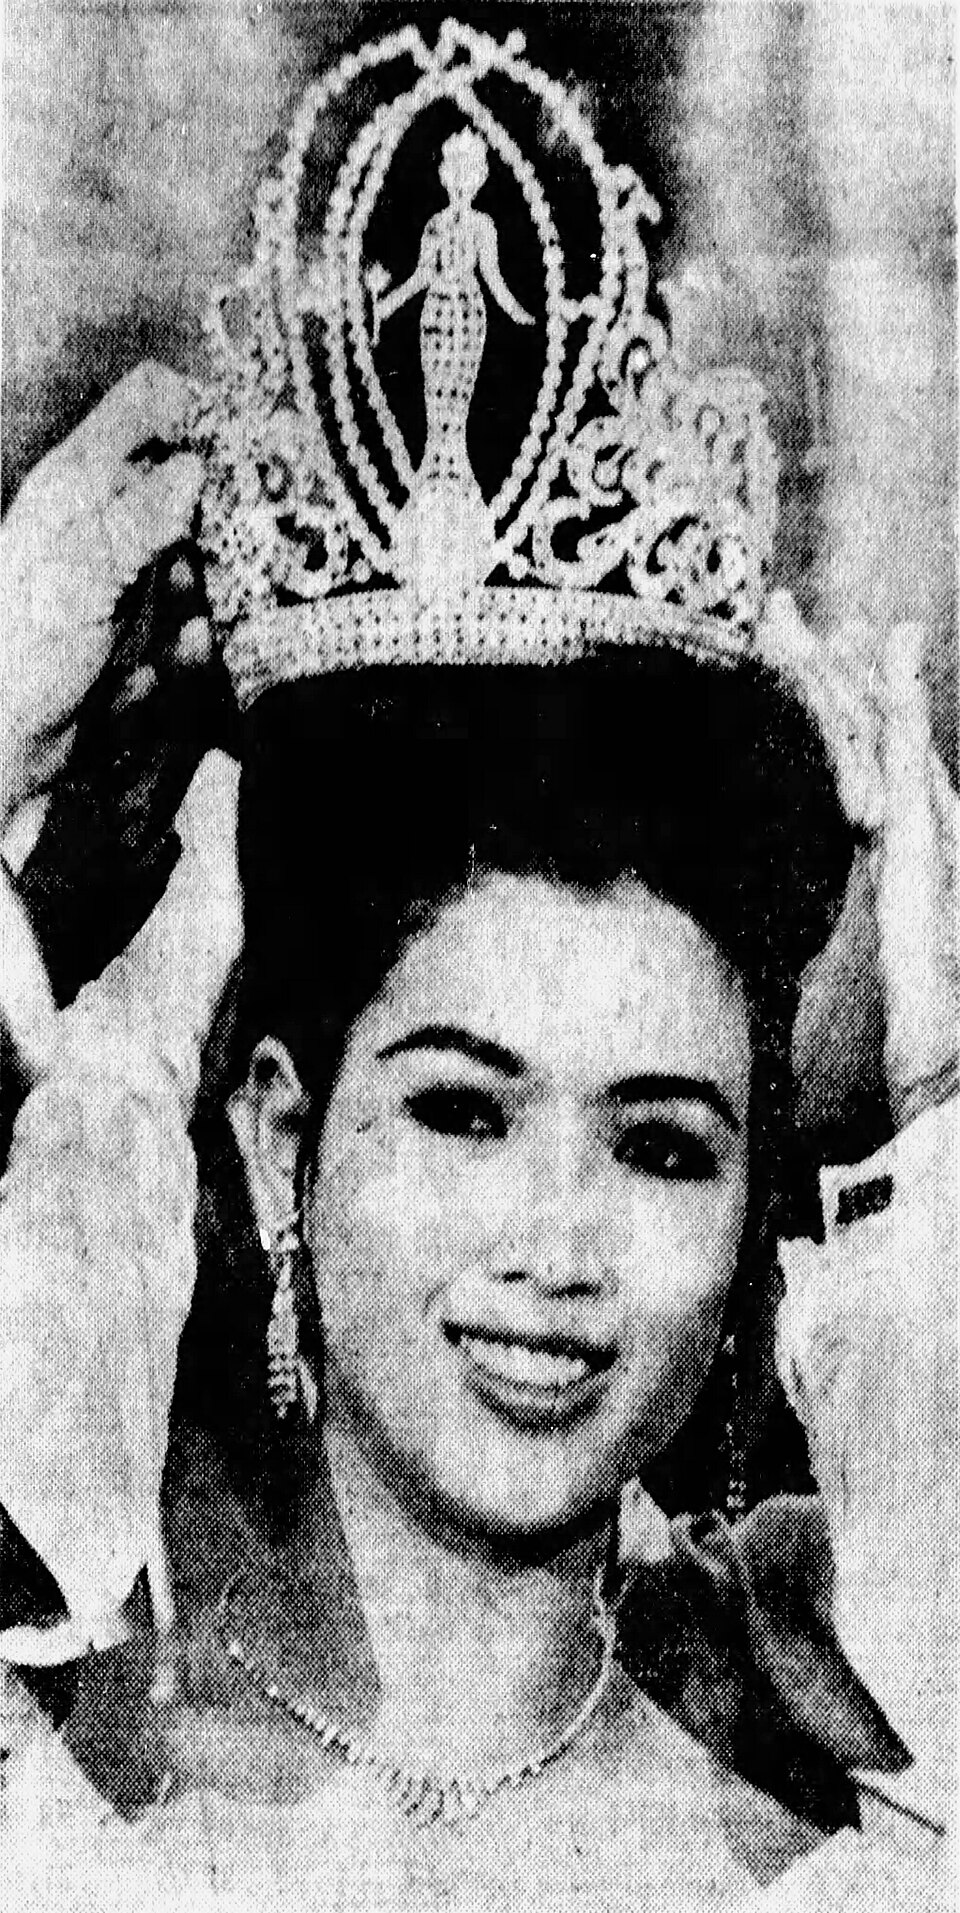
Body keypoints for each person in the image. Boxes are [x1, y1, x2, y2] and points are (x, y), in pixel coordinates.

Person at [0, 29, 955, 1910]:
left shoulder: (865, 1858)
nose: (558, 1245)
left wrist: (936, 1086)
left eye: (663, 1143)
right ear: (280, 1139)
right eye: (460, 1108)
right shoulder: (47, 1807)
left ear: (760, 1205)